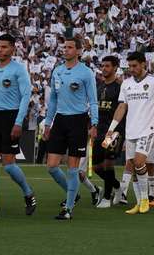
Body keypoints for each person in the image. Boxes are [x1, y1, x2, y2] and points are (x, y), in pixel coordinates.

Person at [0, 34, 35, 218]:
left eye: (4, 47)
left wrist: (19, 122)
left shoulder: (19, 70)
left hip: (11, 117)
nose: (0, 49)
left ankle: (28, 193)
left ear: (12, 49)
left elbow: (26, 96)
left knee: (9, 164)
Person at [107, 51, 154, 216]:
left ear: (143, 64)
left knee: (139, 162)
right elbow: (122, 107)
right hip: (131, 130)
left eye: (135, 66)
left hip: (147, 130)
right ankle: (140, 201)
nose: (132, 69)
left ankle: (145, 200)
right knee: (134, 166)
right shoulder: (126, 84)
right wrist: (111, 128)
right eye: (130, 66)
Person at [44, 36, 98, 220]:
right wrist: (47, 123)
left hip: (78, 121)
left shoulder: (85, 73)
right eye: (64, 47)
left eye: (69, 47)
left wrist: (95, 124)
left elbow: (93, 100)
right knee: (51, 166)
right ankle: (73, 194)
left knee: (73, 168)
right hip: (60, 120)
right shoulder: (57, 71)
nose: (65, 50)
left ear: (78, 51)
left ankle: (68, 208)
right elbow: (52, 100)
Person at [93, 55, 123, 208]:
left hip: (114, 131)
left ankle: (106, 198)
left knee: (108, 163)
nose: (104, 69)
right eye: (102, 66)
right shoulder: (98, 85)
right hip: (99, 130)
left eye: (107, 66)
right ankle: (117, 187)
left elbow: (123, 109)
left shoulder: (120, 87)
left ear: (115, 68)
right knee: (96, 167)